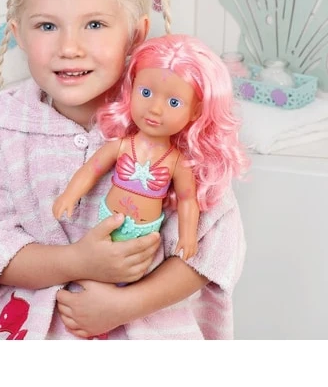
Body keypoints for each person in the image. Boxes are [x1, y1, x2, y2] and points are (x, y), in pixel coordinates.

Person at [0, 0, 247, 339]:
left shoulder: (166, 122)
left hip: (144, 326)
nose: (70, 47)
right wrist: (78, 261)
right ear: (20, 34)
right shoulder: (8, 130)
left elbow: (213, 246)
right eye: (47, 25)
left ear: (135, 34)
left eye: (94, 24)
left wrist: (126, 305)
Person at [53, 34, 248, 263]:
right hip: (107, 220)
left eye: (174, 102)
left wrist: (187, 236)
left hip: (145, 233)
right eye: (145, 93)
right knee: (98, 263)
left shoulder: (176, 162)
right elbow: (90, 170)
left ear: (195, 112)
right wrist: (70, 195)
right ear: (132, 89)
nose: (155, 109)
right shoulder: (122, 146)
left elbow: (187, 200)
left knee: (136, 270)